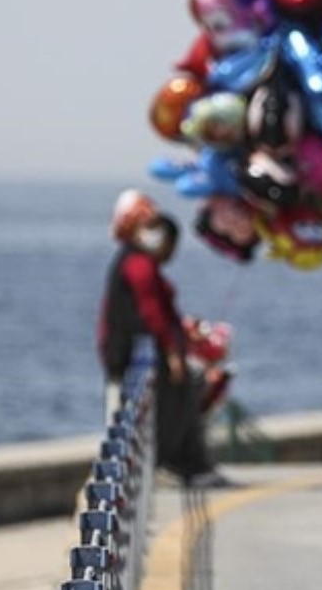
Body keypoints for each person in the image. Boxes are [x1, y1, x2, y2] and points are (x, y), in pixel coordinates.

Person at [96, 193, 226, 486]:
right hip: (137, 353)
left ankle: (188, 462)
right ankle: (176, 463)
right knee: (172, 405)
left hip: (146, 351)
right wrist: (172, 352)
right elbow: (152, 313)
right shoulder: (138, 265)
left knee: (186, 396)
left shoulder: (137, 262)